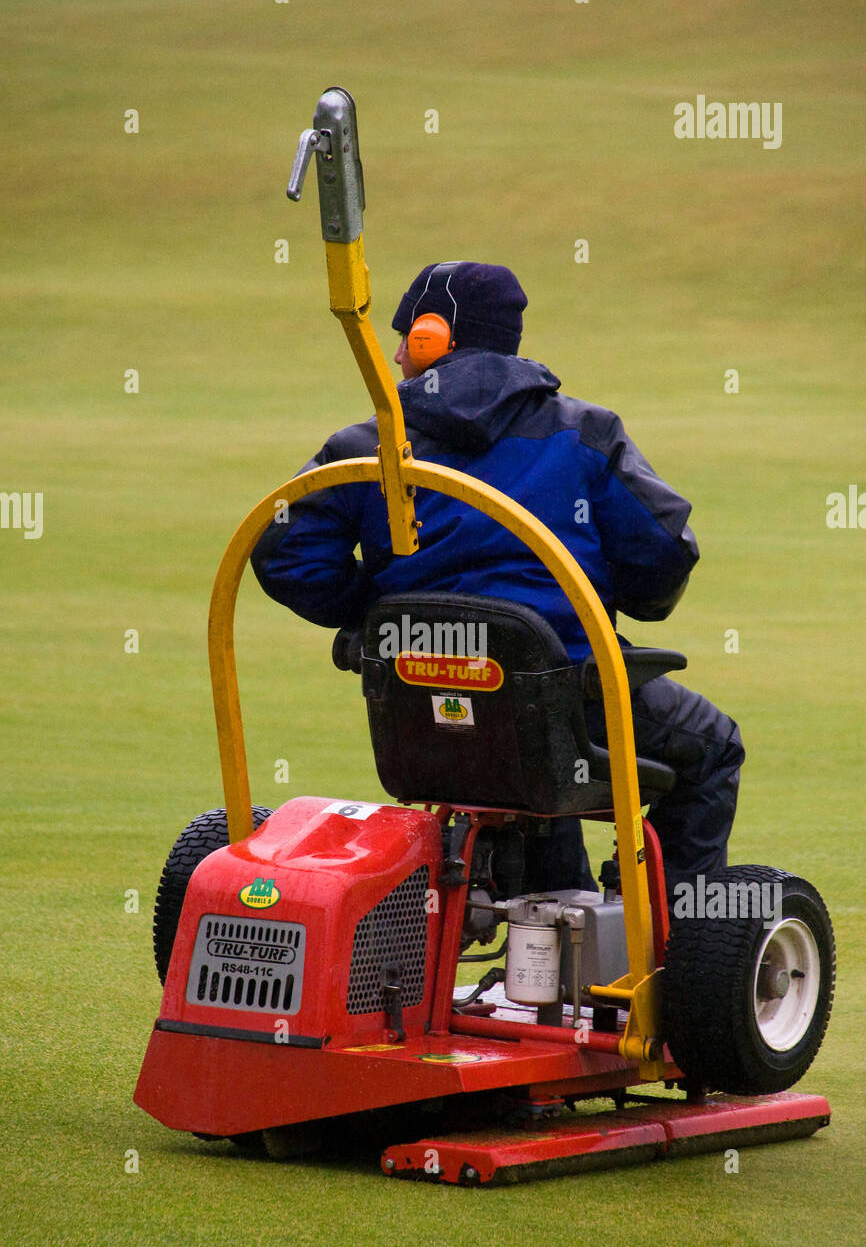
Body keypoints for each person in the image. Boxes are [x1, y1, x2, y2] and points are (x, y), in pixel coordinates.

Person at [251, 262, 745, 901]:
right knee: (712, 748)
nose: (397, 352)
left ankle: (553, 913)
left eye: (406, 335)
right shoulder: (585, 434)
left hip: (420, 713)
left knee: (525, 746)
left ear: (435, 338)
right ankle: (668, 947)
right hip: (567, 699)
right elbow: (665, 552)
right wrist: (609, 601)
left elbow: (285, 555)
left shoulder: (365, 445)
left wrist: (375, 616)